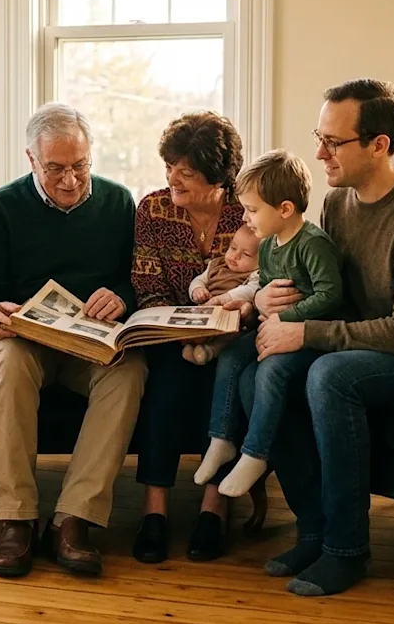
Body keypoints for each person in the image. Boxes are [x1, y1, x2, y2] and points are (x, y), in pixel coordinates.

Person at [247, 79, 394, 597]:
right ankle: (315, 531)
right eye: (318, 136)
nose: (319, 152)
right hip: (361, 342)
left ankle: (348, 550)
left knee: (330, 374)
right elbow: (327, 294)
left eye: (334, 141)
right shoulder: (338, 202)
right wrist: (267, 301)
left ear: (380, 145)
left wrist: (305, 332)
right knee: (266, 370)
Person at [0, 101, 146, 579]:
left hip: (89, 342)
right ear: (31, 159)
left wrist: (121, 297)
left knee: (129, 370)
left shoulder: (118, 201)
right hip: (24, 341)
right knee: (3, 357)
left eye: (81, 166)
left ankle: (73, 520)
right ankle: (16, 519)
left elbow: (134, 280)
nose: (71, 180)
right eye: (56, 169)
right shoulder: (2, 207)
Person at [130, 110, 254, 564]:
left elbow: (274, 276)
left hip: (236, 332)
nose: (173, 178)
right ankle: (155, 510)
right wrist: (180, 325)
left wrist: (231, 316)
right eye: (169, 166)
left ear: (218, 177)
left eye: (186, 171)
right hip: (171, 335)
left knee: (227, 377)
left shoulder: (248, 212)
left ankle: (214, 506)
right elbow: (148, 287)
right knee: (168, 380)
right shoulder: (153, 209)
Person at [195, 149, 344, 499]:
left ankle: (256, 454)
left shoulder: (313, 245)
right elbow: (261, 285)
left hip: (306, 337)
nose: (246, 219)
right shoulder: (266, 246)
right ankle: (221, 440)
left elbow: (331, 295)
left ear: (285, 209)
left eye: (252, 210)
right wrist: (251, 301)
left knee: (270, 372)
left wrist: (284, 318)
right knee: (230, 355)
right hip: (273, 328)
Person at [183, 224, 261, 365]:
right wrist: (197, 290)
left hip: (230, 317)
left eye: (246, 254)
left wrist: (225, 298)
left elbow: (250, 290)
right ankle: (192, 346)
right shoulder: (216, 264)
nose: (235, 256)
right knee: (192, 328)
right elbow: (199, 280)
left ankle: (210, 351)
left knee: (231, 337)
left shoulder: (255, 274)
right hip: (207, 310)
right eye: (233, 248)